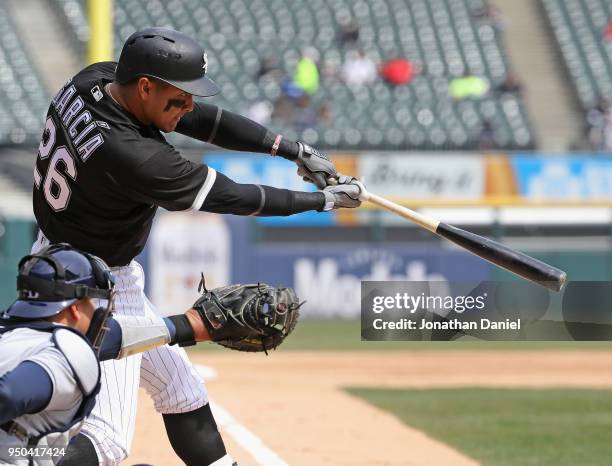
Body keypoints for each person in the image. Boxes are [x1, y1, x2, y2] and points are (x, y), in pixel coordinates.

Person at [31, 26, 361, 466]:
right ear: (146, 87)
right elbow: (236, 196)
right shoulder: (138, 157)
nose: (187, 106)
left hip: (61, 259)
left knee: (179, 388)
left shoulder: (96, 81)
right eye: (179, 97)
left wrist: (291, 149)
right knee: (107, 439)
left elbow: (205, 120)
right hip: (94, 288)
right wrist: (320, 201)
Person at [0, 243, 222, 465]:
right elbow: (8, 393)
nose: (100, 312)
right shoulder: (66, 349)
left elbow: (113, 338)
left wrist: (189, 325)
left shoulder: (13, 330)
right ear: (75, 309)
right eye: (92, 302)